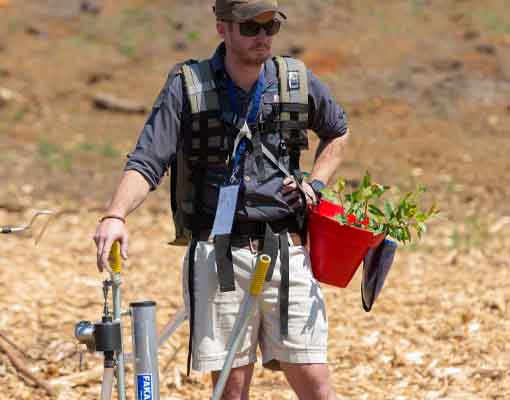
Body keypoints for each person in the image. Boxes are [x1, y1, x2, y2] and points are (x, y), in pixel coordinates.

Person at [93, 0, 348, 398]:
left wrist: (315, 184)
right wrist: (115, 215)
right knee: (231, 389)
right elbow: (147, 160)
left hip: (287, 248)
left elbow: (338, 132)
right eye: (251, 27)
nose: (262, 36)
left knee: (316, 383)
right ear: (222, 28)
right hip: (217, 253)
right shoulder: (188, 86)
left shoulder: (294, 80)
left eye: (271, 26)